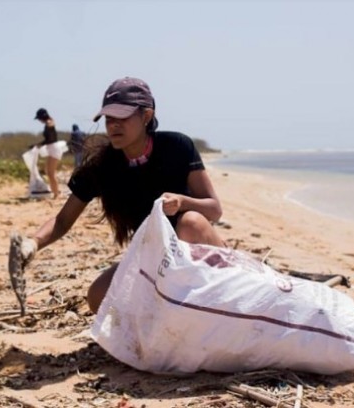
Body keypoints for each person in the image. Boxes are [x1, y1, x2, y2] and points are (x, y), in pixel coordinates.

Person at [18, 78, 224, 313]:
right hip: (154, 256)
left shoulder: (177, 146)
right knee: (98, 297)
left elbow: (214, 209)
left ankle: (211, 302)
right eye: (109, 119)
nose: (114, 125)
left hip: (200, 251)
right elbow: (63, 220)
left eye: (122, 117)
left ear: (146, 116)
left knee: (191, 222)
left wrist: (182, 202)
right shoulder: (102, 166)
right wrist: (32, 243)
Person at [34, 108, 61, 199]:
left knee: (51, 173)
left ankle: (56, 193)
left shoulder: (49, 122)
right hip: (51, 148)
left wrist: (40, 144)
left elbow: (50, 137)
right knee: (48, 172)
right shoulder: (48, 123)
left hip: (54, 148)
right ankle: (55, 191)